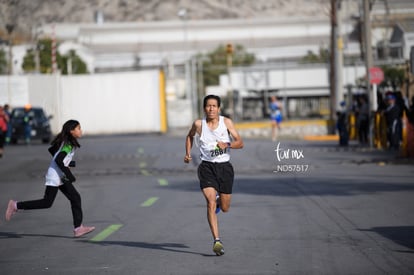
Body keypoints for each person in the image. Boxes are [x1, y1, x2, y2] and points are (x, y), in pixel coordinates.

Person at [5, 120, 95, 237]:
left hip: (60, 175)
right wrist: (69, 175)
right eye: (78, 128)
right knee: (47, 202)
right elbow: (58, 160)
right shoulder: (68, 144)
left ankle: (78, 228)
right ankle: (15, 205)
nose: (81, 130)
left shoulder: (67, 141)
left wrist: (69, 164)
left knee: (75, 197)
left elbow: (53, 151)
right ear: (71, 131)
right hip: (55, 176)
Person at [184, 94, 244, 256]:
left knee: (225, 208)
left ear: (219, 108)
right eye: (208, 106)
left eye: (214, 106)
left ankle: (219, 202)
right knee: (210, 202)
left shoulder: (226, 123)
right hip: (206, 168)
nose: (211, 109)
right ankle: (217, 241)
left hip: (225, 168)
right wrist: (188, 153)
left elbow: (240, 143)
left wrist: (227, 144)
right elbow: (189, 136)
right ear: (204, 108)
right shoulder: (198, 124)